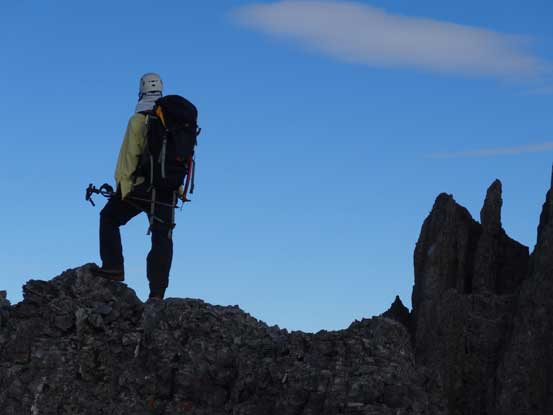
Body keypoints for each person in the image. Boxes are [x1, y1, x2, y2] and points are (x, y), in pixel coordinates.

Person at [96, 73, 175, 301]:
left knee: (109, 218)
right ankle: (157, 295)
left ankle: (113, 267)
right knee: (162, 237)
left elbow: (128, 157)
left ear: (141, 91)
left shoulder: (138, 119)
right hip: (166, 191)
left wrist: (122, 187)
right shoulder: (173, 121)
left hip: (139, 187)